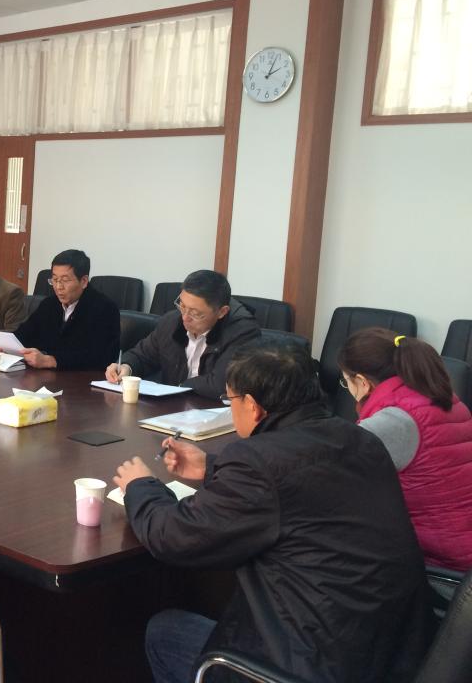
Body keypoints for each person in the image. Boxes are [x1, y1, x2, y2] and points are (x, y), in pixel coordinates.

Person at [113, 340, 431, 683]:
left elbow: (175, 537)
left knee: (165, 632)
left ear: (252, 406)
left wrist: (140, 486)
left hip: (309, 664)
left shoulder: (257, 462)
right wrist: (212, 467)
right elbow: (300, 485)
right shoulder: (359, 439)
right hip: (391, 654)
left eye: (230, 400)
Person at [338, 327, 472, 571]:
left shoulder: (394, 420)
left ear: (362, 382)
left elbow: (333, 476)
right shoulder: (445, 399)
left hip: (443, 565)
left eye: (346, 382)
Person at [105, 270, 259, 399]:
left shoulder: (242, 333)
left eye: (195, 313)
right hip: (172, 409)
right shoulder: (171, 322)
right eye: (182, 306)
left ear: (222, 312)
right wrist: (126, 366)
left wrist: (179, 387)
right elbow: (142, 355)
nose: (185, 317)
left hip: (214, 413)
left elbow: (221, 384)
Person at [5, 249, 119, 370]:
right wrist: (5, 346)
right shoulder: (49, 304)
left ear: (84, 281)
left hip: (83, 379)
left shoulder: (105, 309)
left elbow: (102, 356)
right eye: (54, 280)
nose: (58, 287)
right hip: (45, 377)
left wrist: (52, 360)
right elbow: (25, 334)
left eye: (65, 280)